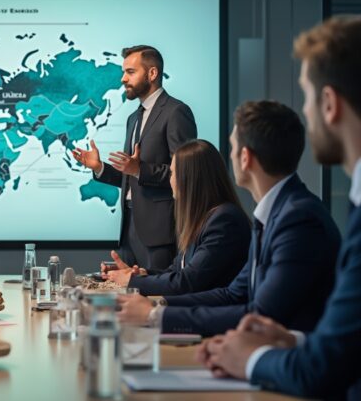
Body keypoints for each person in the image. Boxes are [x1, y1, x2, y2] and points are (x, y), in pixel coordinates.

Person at [198, 16, 361, 400]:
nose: (305, 113)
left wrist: (249, 359)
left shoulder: (299, 218)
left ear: (329, 103)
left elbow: (325, 368)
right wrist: (295, 341)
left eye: (306, 96)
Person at [117, 100, 341, 337]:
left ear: (245, 158)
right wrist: (158, 307)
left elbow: (261, 315)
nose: (230, 157)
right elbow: (233, 294)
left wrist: (155, 315)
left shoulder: (297, 219)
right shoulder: (277, 212)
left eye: (232, 148)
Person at [72, 45, 197, 271]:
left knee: (156, 297)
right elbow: (131, 174)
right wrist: (99, 168)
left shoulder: (176, 112)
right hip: (129, 228)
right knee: (129, 297)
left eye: (130, 72)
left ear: (152, 74)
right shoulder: (133, 118)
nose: (122, 79)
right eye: (123, 72)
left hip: (160, 233)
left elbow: (186, 173)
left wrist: (140, 169)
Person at [104, 139, 250, 296]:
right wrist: (140, 274)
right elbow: (175, 271)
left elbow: (187, 282)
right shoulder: (207, 218)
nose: (170, 179)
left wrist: (131, 282)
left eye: (173, 173)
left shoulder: (224, 221)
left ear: (190, 178)